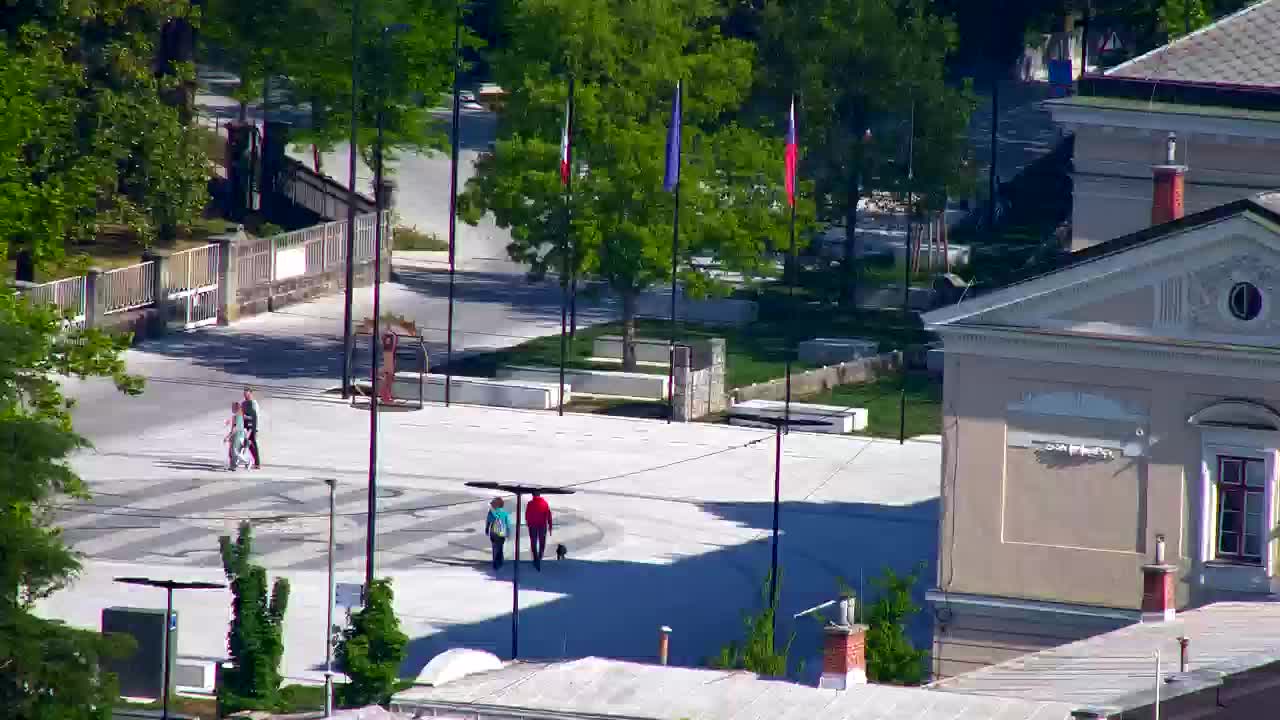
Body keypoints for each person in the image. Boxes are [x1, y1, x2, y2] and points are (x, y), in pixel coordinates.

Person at [526, 491, 553, 571]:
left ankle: (536, 558)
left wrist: (529, 523)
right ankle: (540, 557)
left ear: (533, 495)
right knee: (542, 542)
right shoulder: (544, 503)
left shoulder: (530, 503)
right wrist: (550, 525)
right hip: (542, 526)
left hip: (533, 526)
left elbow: (527, 515)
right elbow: (549, 515)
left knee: (533, 542)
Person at [484, 498, 511, 571]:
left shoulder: (491, 512)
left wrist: (487, 529)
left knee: (494, 547)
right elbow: (508, 523)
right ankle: (500, 561)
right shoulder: (504, 513)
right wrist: (508, 532)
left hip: (493, 532)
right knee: (500, 547)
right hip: (501, 532)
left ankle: (495, 563)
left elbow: (488, 521)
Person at [225, 402, 249, 471]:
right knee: (233, 453)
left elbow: (235, 428)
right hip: (240, 436)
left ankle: (247, 462)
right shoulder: (240, 415)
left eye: (233, 407)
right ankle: (233, 466)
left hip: (237, 437)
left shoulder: (237, 416)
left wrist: (228, 436)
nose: (232, 409)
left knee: (235, 452)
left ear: (236, 408)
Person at [242, 387, 262, 469]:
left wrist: (256, 429)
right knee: (248, 444)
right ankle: (255, 462)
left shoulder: (254, 403)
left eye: (247, 393)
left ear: (251, 393)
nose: (245, 395)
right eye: (244, 393)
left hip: (252, 427)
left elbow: (255, 416)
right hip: (245, 426)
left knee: (253, 443)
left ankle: (257, 463)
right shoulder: (243, 403)